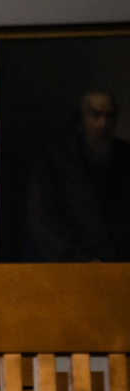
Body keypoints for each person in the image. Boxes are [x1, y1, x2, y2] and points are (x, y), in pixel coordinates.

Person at [26, 88, 130, 262]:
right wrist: (80, 259)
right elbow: (44, 220)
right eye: (95, 115)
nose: (103, 124)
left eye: (109, 116)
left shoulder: (126, 156)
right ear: (81, 120)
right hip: (74, 267)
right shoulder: (54, 162)